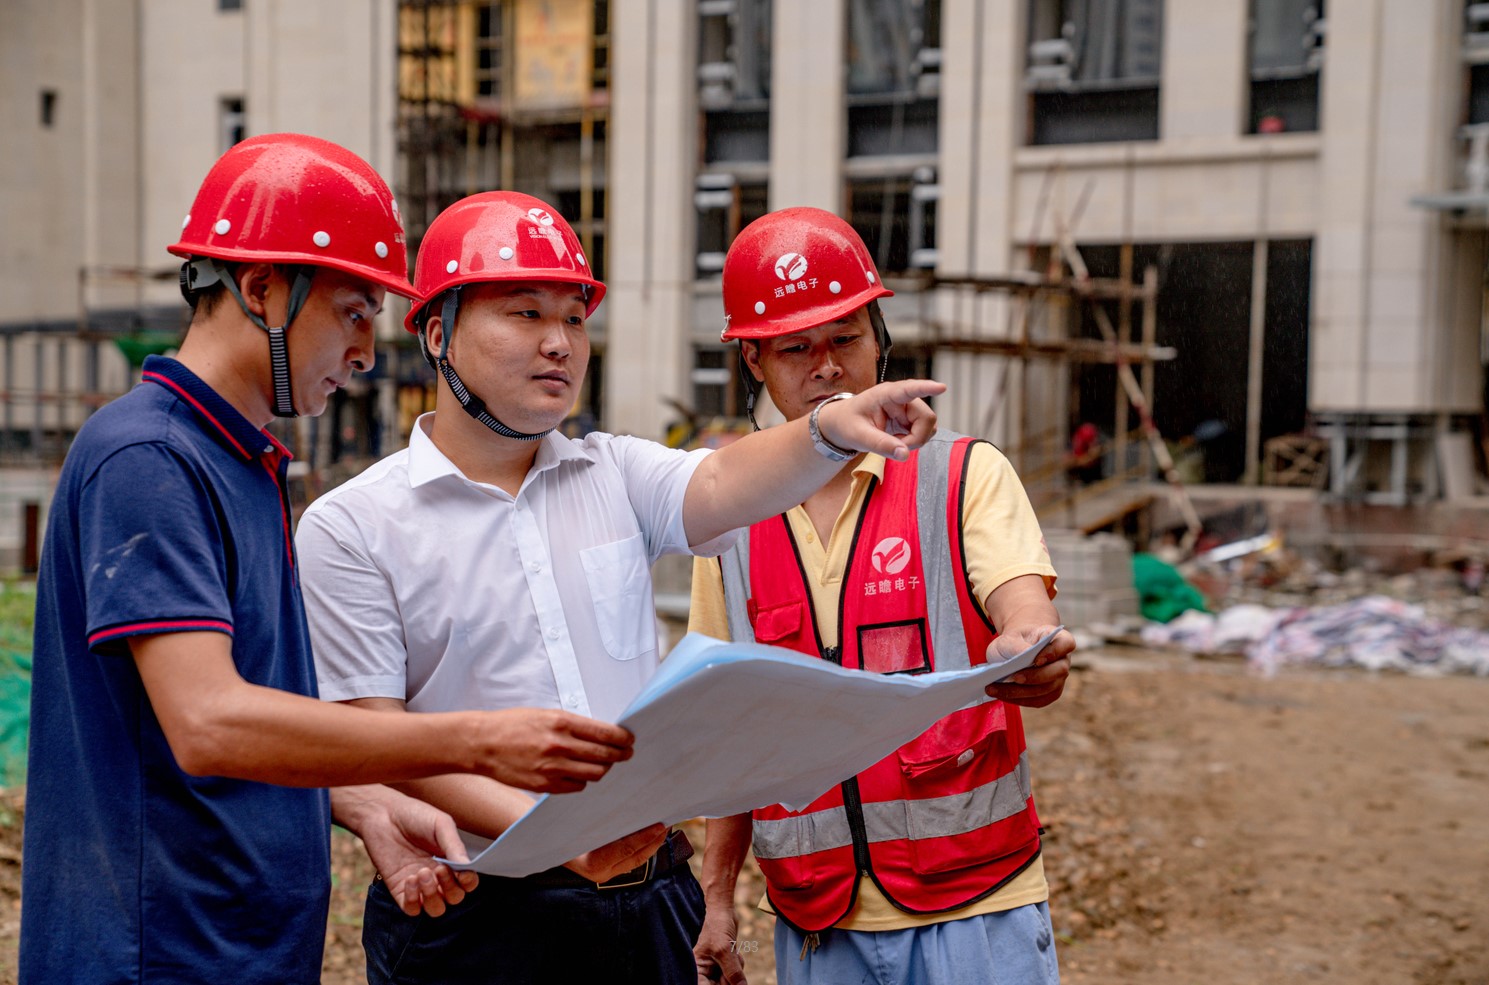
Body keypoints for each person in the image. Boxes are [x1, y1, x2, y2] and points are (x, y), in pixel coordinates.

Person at [19, 135, 637, 985]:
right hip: (157, 951)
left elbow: (233, 734)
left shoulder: (240, 463)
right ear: (263, 287)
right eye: (351, 311)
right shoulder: (149, 459)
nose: (364, 351)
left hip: (237, 944)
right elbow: (207, 722)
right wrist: (477, 741)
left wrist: (359, 800)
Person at [294, 190, 945, 985]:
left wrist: (826, 431)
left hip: (649, 898)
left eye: (573, 318)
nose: (559, 344)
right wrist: (567, 831)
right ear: (437, 333)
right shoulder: (351, 526)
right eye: (525, 313)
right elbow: (376, 740)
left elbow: (722, 479)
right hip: (476, 917)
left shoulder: (615, 472)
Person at [688, 207, 1076, 985]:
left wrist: (1028, 647)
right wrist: (718, 897)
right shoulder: (724, 516)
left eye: (846, 337)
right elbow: (726, 727)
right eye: (795, 347)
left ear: (880, 339)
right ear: (753, 361)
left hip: (975, 903)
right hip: (816, 923)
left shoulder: (961, 474)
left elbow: (1023, 609)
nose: (826, 364)